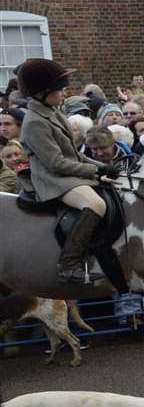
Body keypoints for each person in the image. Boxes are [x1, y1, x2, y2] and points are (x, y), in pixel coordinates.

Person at [15, 60, 120, 282]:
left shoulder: (54, 112)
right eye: (59, 89)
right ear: (43, 92)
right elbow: (56, 163)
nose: (64, 92)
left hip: (69, 174)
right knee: (96, 204)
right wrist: (93, 170)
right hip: (52, 180)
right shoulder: (35, 122)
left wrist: (103, 168)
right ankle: (69, 263)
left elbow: (75, 154)